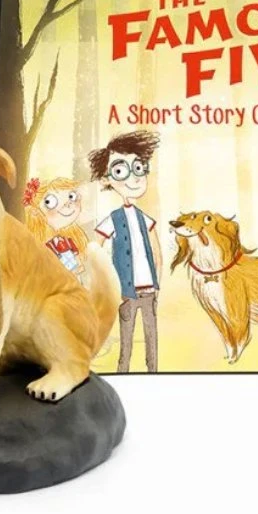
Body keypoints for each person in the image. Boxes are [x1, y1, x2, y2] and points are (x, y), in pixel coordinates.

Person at [88, 130, 162, 373]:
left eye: (138, 168)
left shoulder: (145, 219)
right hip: (126, 293)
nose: (134, 178)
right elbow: (94, 248)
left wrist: (157, 285)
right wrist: (107, 285)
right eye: (121, 171)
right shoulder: (113, 218)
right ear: (106, 179)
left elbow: (157, 255)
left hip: (149, 291)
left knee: (151, 336)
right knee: (126, 338)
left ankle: (154, 373)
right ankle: (123, 373)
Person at [23, 176, 88, 281]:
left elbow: (77, 256)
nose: (68, 204)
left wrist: (78, 266)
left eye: (72, 197)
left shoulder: (66, 240)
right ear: (35, 212)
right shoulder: (42, 247)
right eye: (50, 202)